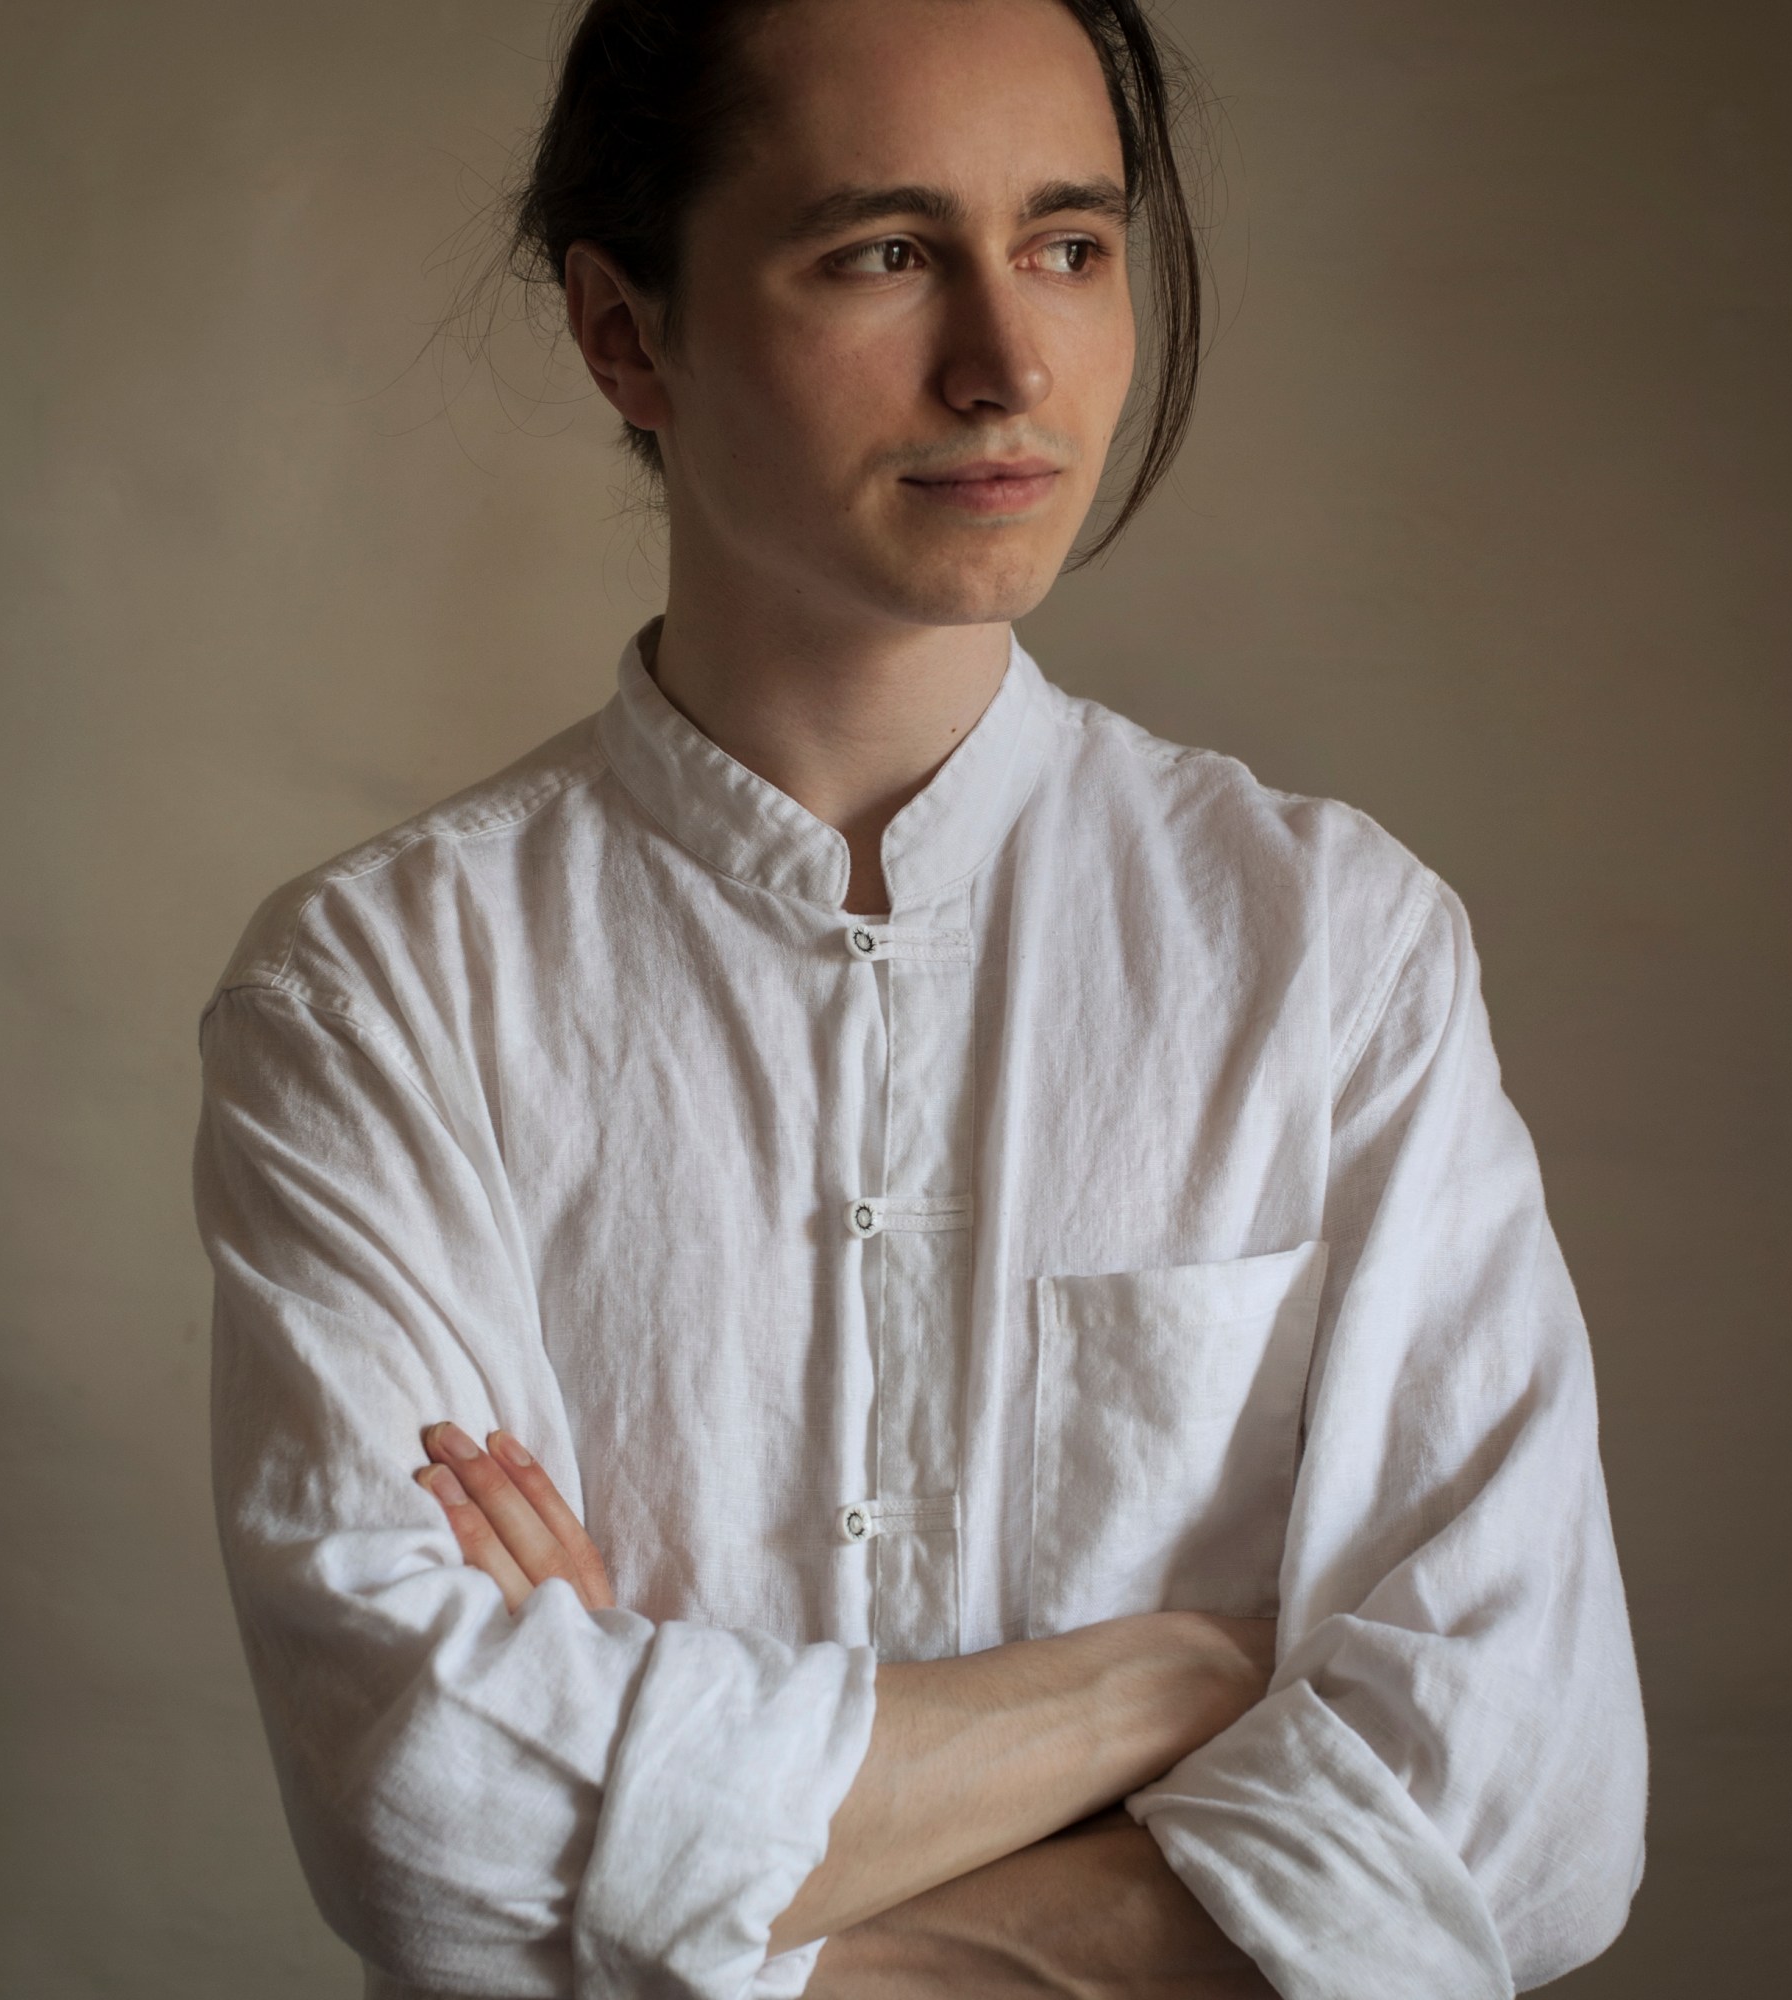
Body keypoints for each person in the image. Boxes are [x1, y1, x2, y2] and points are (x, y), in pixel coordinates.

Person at [192, 1, 1648, 1995]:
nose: (1009, 364)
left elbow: (1528, 1803)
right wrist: (1181, 1674)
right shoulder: (378, 997)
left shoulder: (1335, 949)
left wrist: (710, 1935)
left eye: (1069, 245)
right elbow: (432, 1812)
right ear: (625, 334)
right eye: (883, 252)